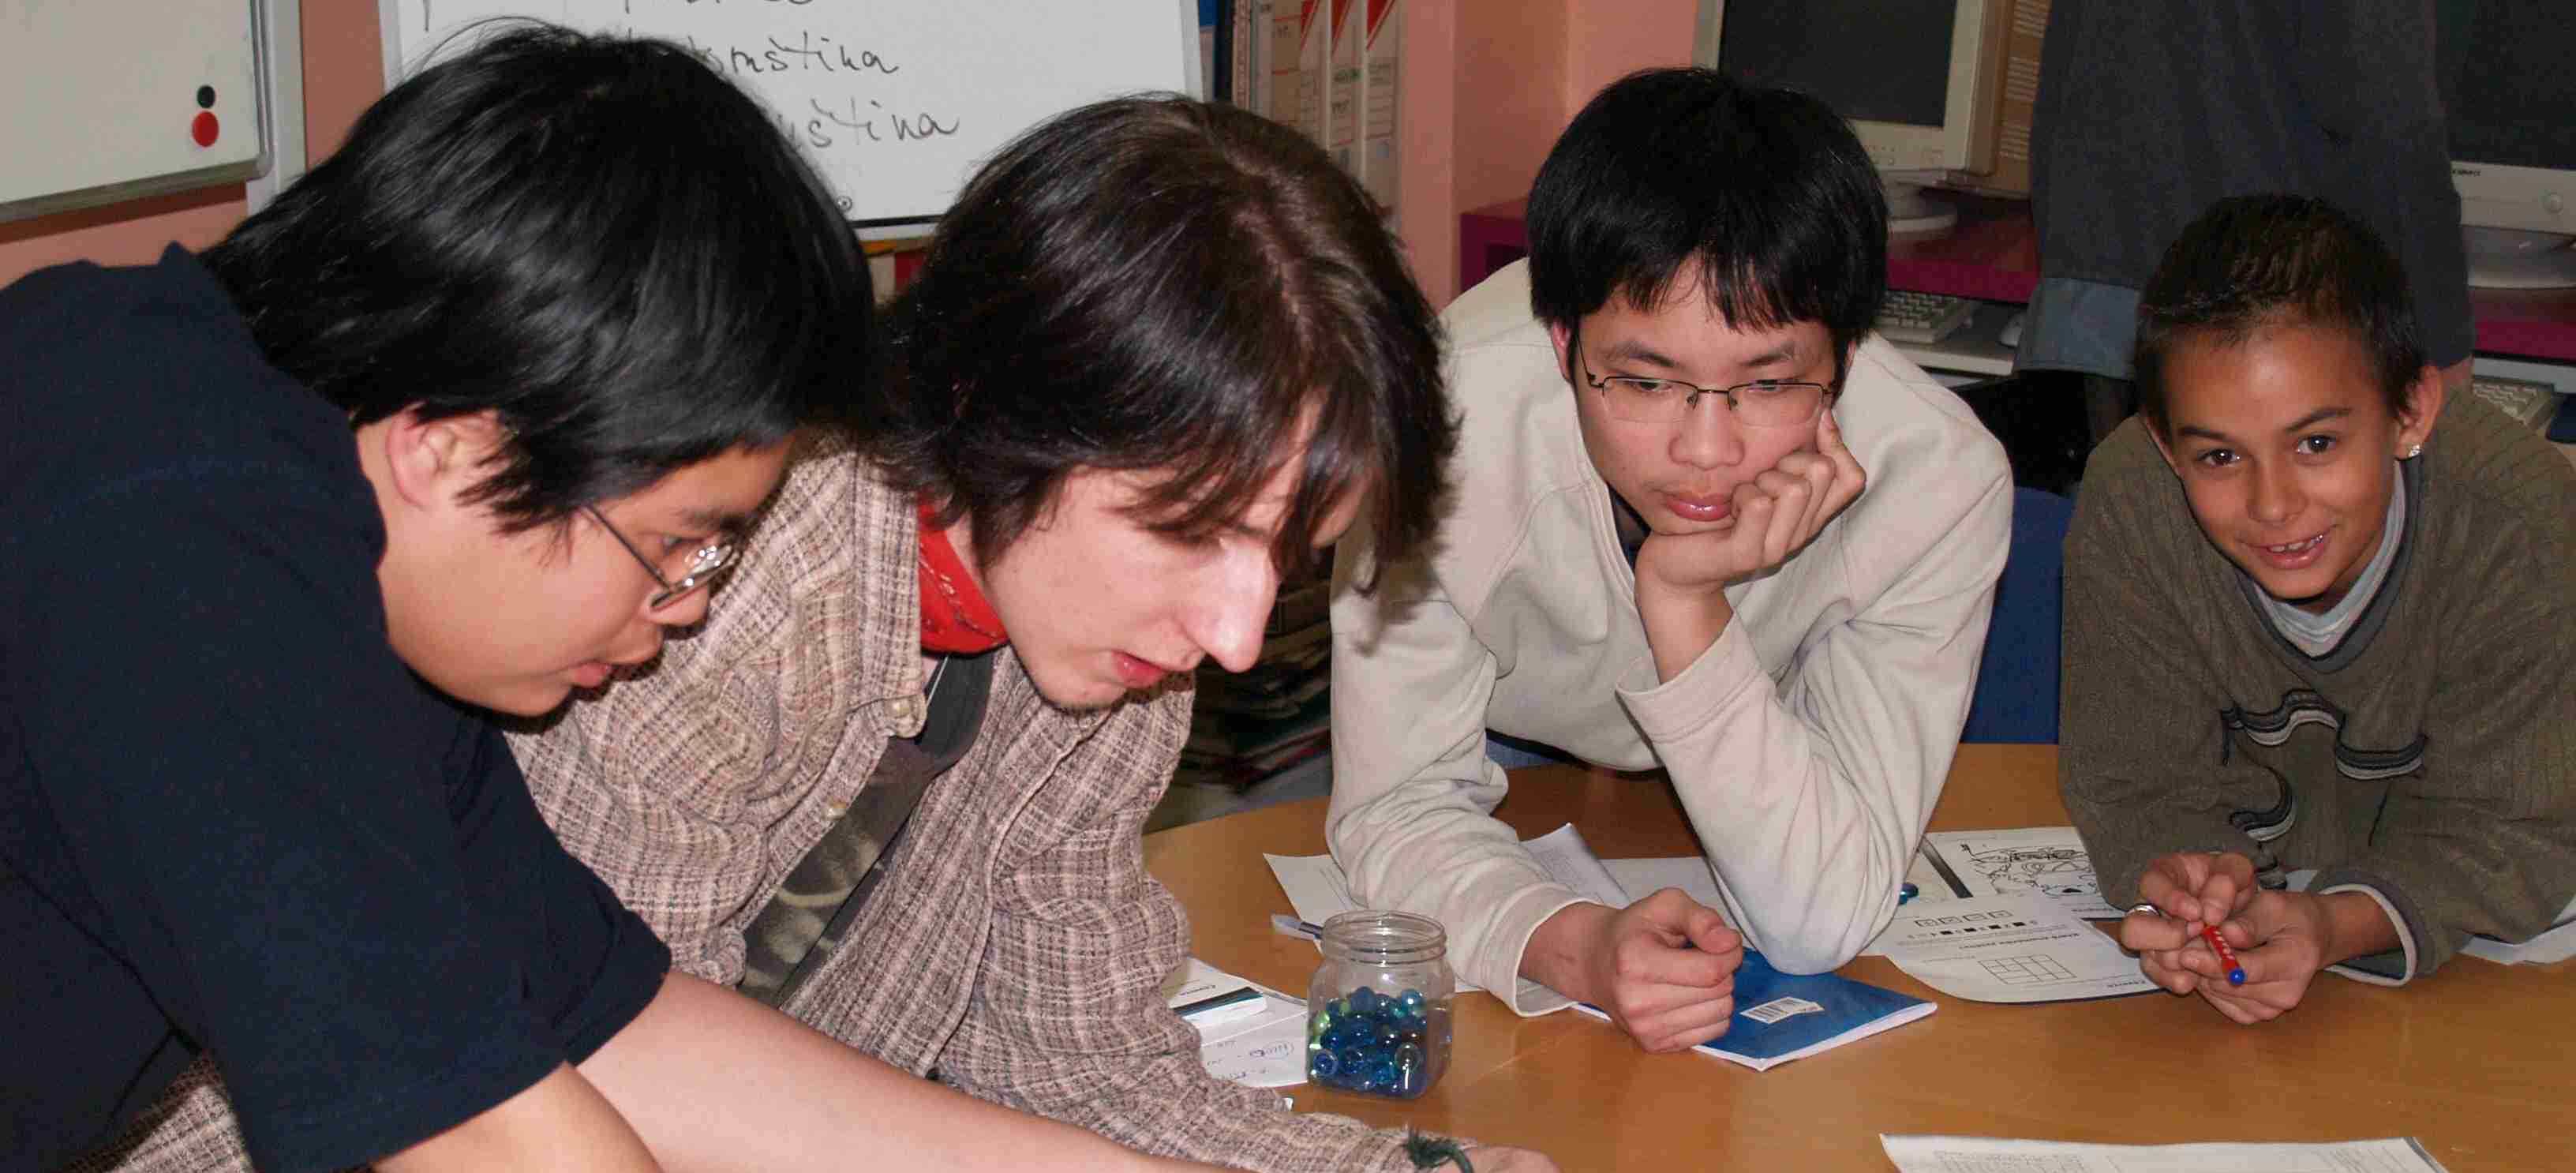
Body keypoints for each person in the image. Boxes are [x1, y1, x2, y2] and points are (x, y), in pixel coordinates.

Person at [86, 96, 1554, 1173]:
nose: (1236, 637)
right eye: (1187, 529)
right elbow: (587, 1082)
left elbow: (1079, 1068)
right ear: (1006, 409)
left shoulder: (1106, 657)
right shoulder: (715, 582)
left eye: (1285, 556)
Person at [9, 24, 953, 1173]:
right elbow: (476, 1132)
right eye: (676, 546)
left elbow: (605, 1030)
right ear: (452, 450)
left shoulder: (355, 591)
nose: (689, 606)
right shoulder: (167, 516)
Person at [1326, 67, 2012, 1055]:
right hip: (1501, 715)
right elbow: (1397, 806)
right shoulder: (1433, 441)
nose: (1706, 451)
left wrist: (1685, 601)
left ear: (1848, 355)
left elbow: (1818, 917)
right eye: (1645, 382)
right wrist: (1571, 944)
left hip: (1749, 719)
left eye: (1768, 384)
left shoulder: (1936, 479)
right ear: (1563, 343)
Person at [2062, 193, 2576, 1025]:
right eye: (2219, 456)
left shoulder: (2516, 523)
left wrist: (2331, 925)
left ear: (2411, 411)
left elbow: (2518, 826)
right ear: (2164, 444)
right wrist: (2197, 883)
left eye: (2316, 443)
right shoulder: (2133, 503)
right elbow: (2137, 782)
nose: (2273, 504)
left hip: (2485, 988)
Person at [2021, 0, 2474, 441]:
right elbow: (2396, 132)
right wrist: (2441, 348)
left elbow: (2060, 94)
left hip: (2094, 310)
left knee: (2127, 491)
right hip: (2272, 325)